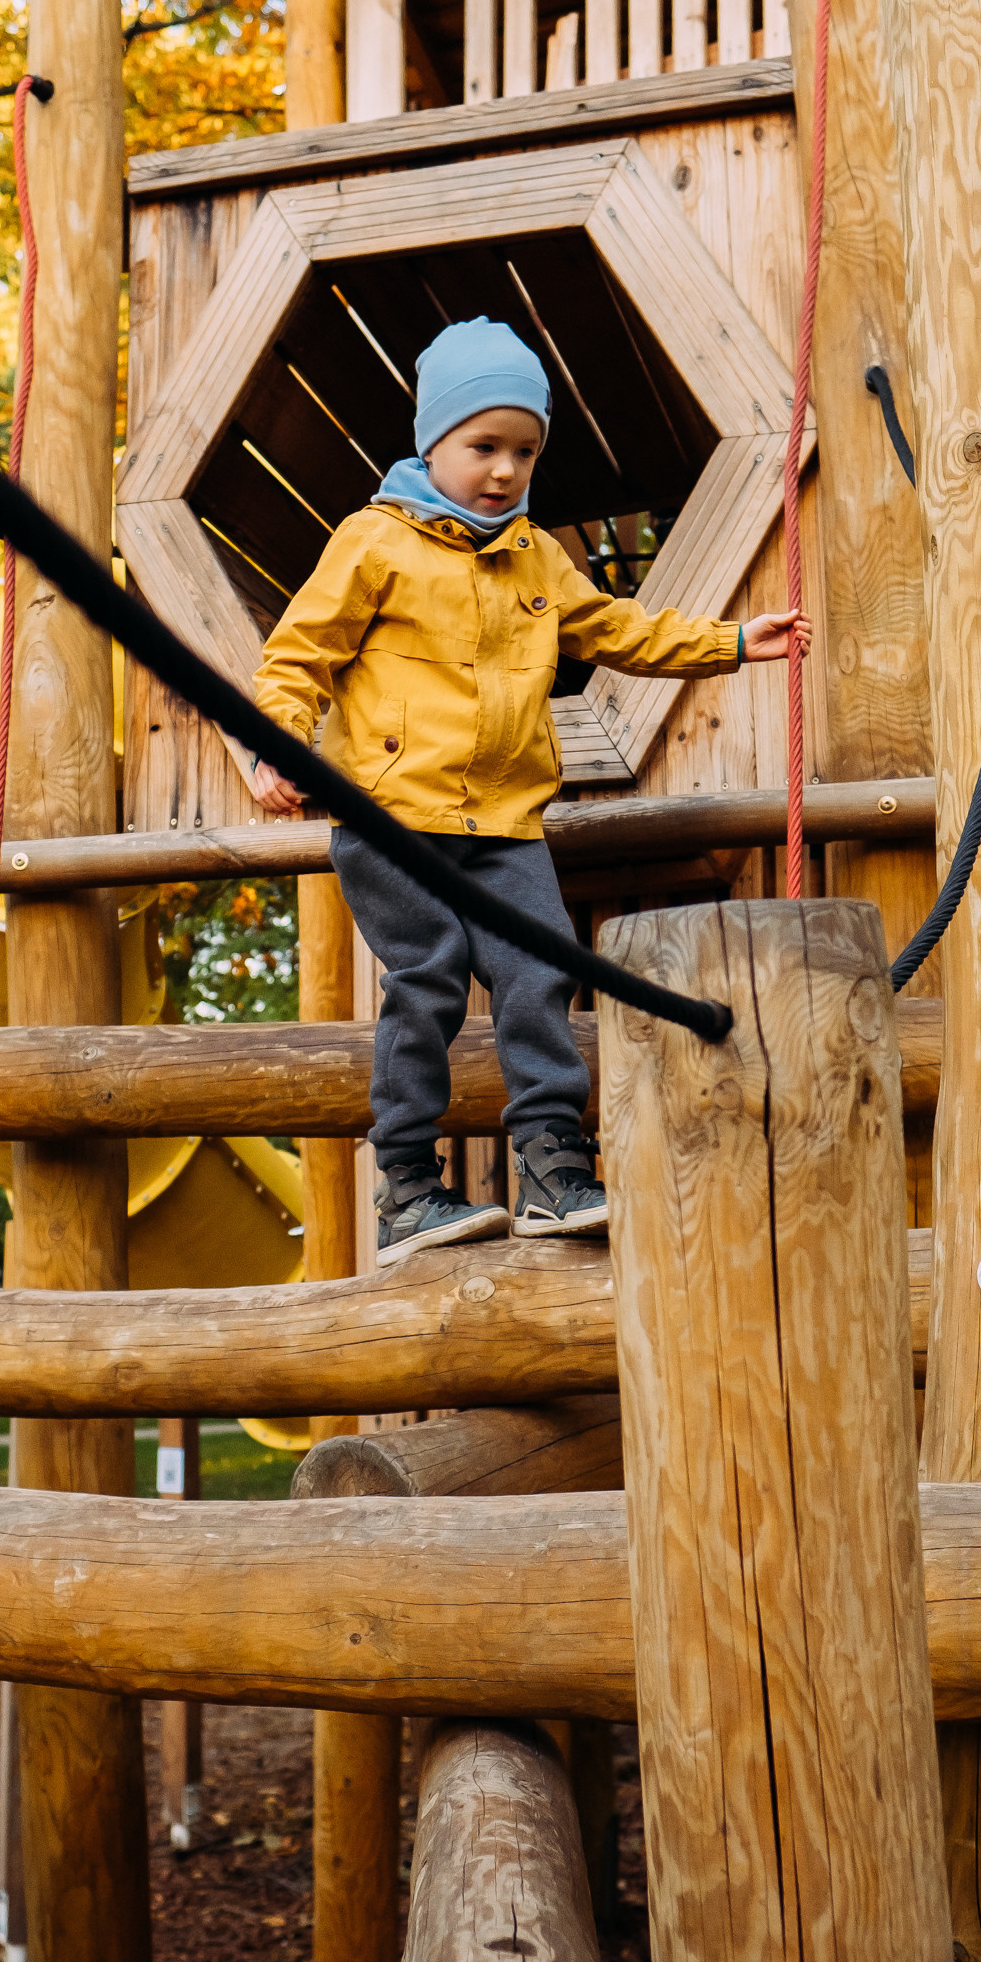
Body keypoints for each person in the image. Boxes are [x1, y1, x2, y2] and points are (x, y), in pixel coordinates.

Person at [249, 315, 809, 1266]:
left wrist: (729, 644)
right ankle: (409, 1188)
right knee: (423, 987)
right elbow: (300, 653)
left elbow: (616, 630)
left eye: (525, 451)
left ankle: (553, 1169)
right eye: (484, 446)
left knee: (540, 977)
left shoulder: (536, 556)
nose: (505, 470)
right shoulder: (374, 542)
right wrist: (276, 745)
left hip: (506, 824)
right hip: (393, 818)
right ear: (434, 440)